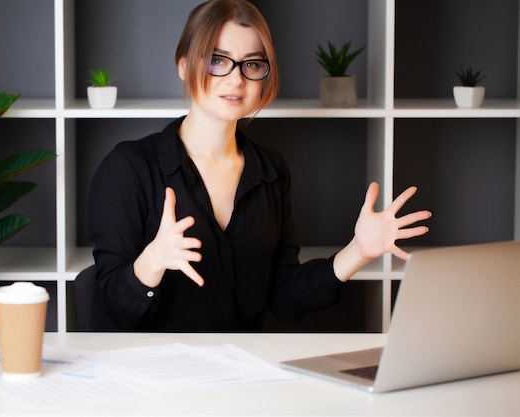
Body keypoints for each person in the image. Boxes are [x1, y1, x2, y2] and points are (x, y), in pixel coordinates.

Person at [86, 0, 431, 331]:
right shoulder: (129, 167)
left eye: (251, 64)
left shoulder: (270, 171)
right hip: (151, 375)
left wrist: (358, 252)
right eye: (218, 61)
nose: (237, 80)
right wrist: (153, 261)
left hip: (243, 374)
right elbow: (112, 310)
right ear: (183, 65)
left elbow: (284, 298)